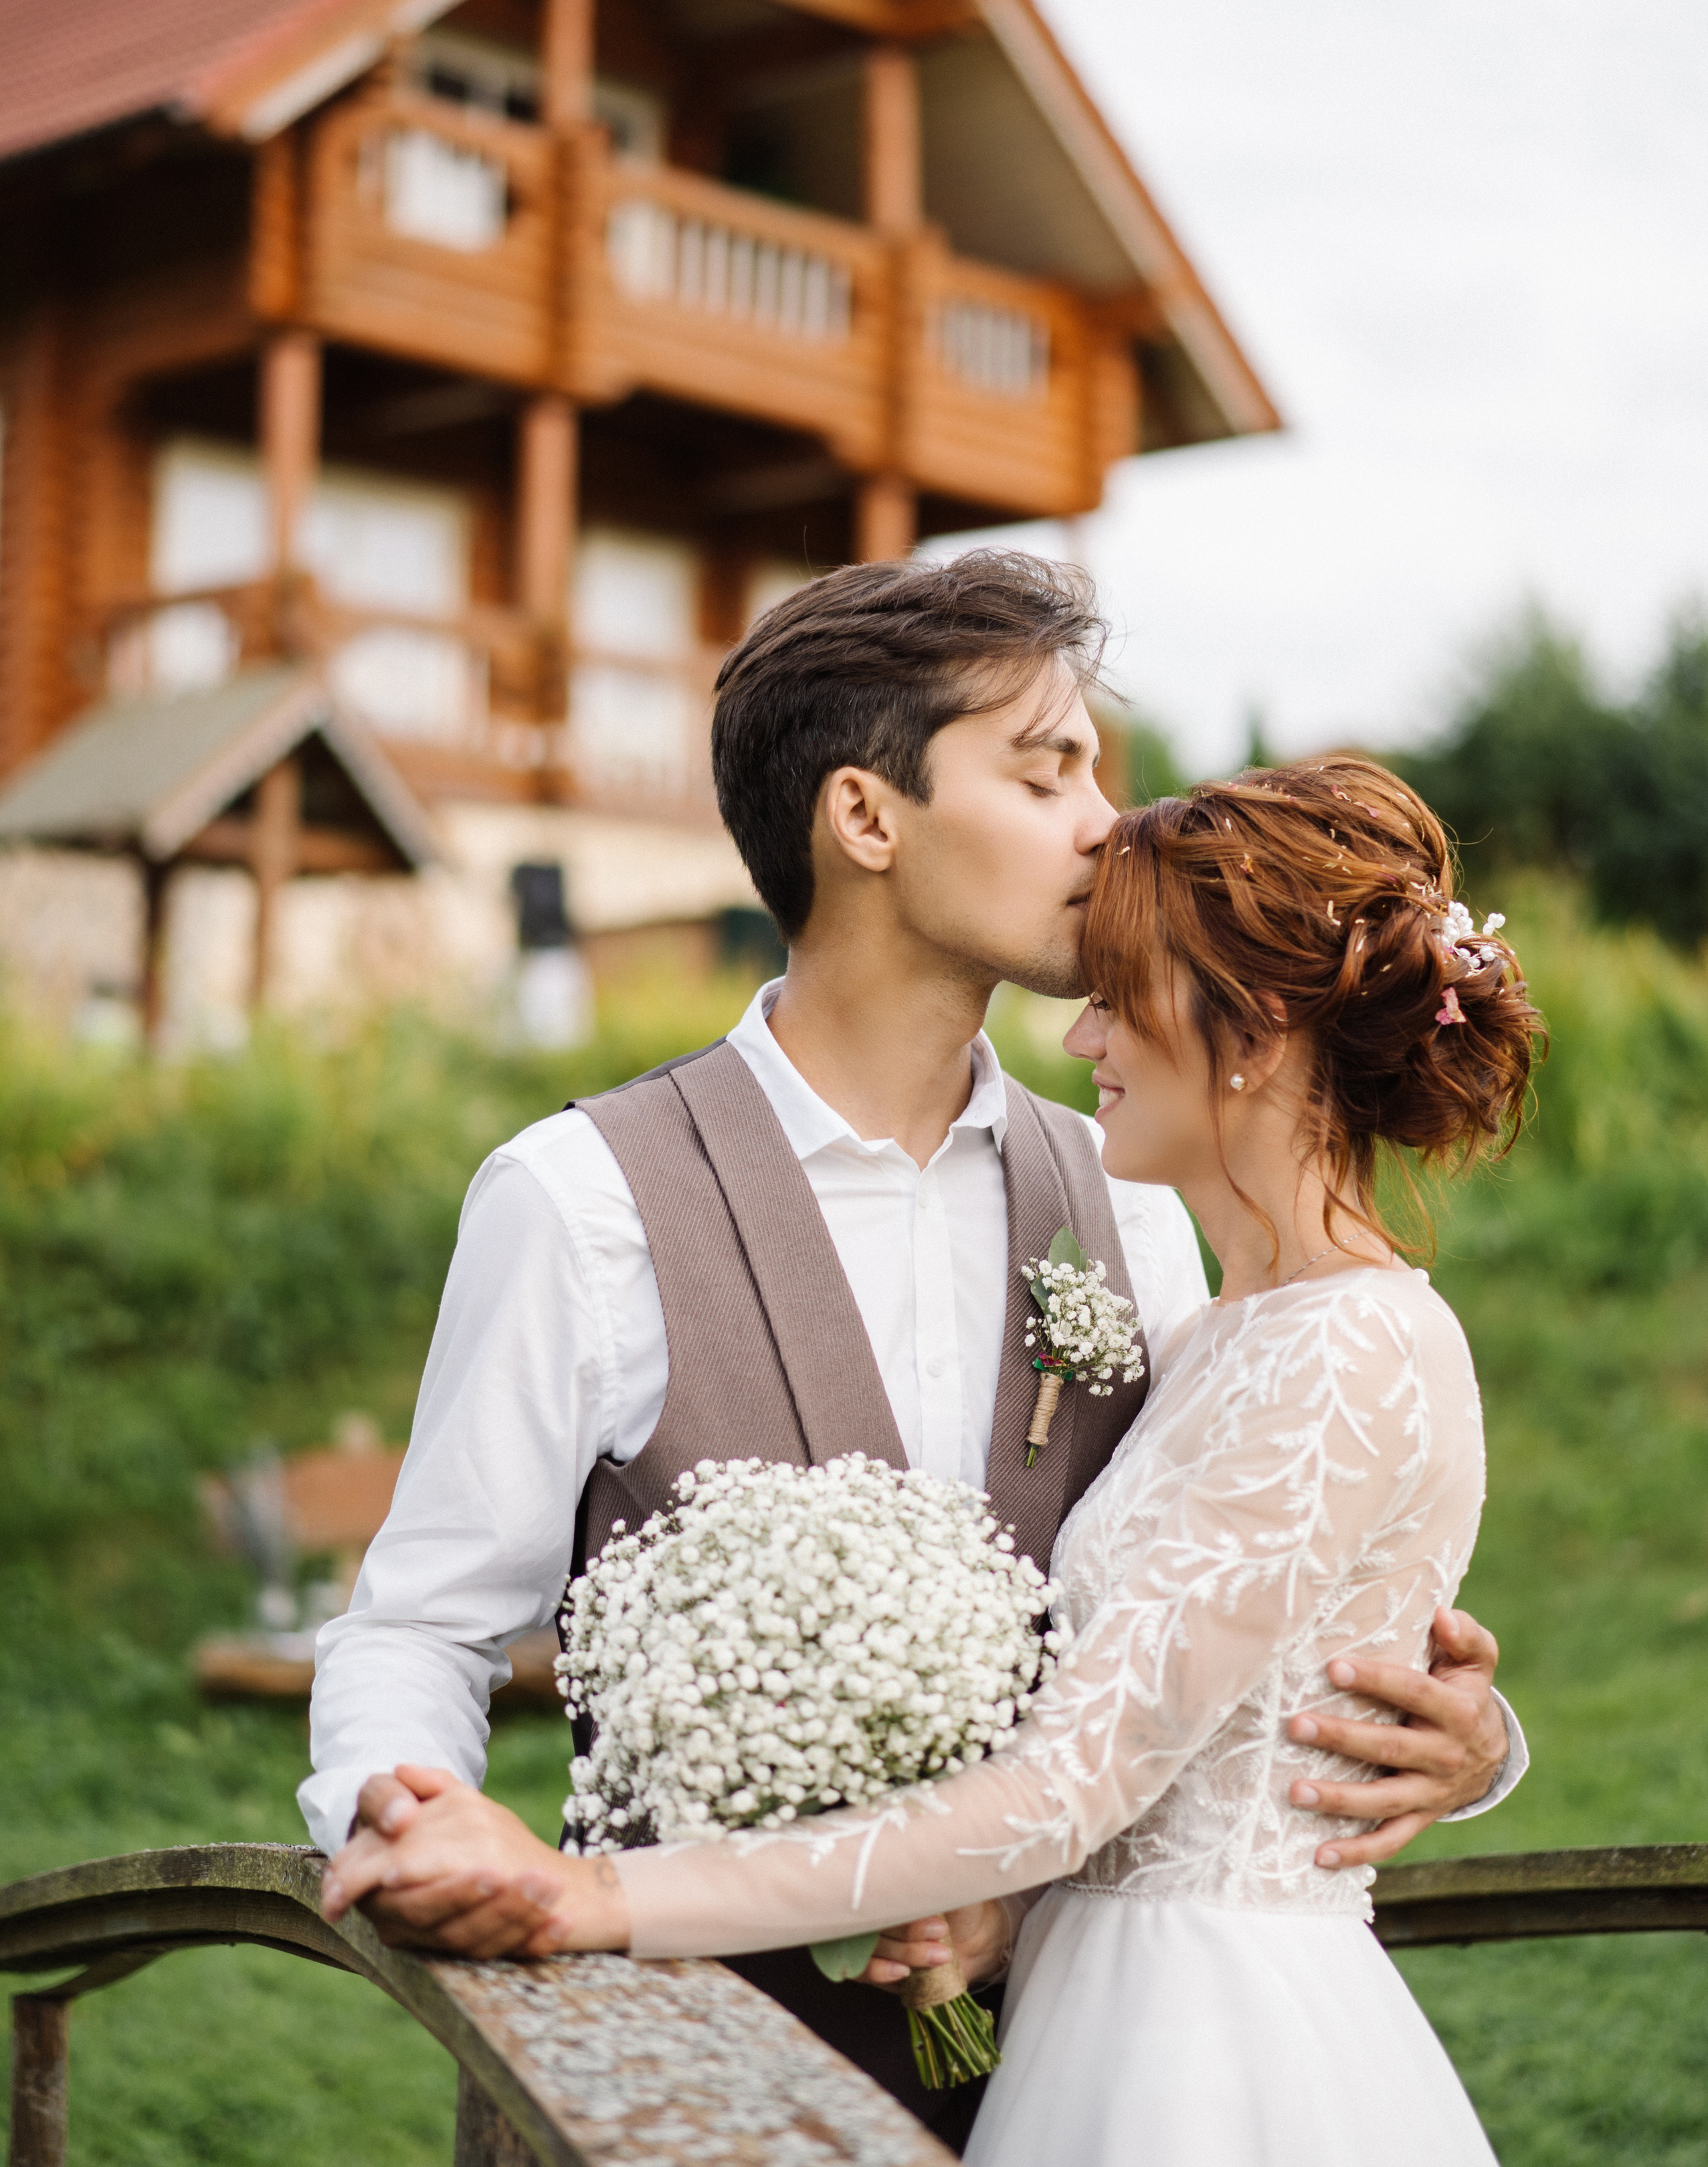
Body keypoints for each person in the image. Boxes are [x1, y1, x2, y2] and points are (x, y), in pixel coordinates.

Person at [312, 563, 1523, 2148]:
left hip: (1096, 2061)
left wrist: (1466, 1742)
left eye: (1098, 767)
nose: (1105, 823)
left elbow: (1224, 1597)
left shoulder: (1139, 1201)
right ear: (864, 821)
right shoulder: (581, 1199)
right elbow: (422, 1621)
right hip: (681, 2072)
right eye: (1046, 772)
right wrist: (408, 1814)